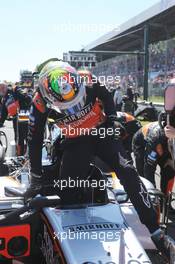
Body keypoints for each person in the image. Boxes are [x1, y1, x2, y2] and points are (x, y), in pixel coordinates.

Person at [26, 60, 172, 258]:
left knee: (128, 171)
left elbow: (106, 96)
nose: (74, 109)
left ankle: (156, 233)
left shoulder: (87, 79)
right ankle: (69, 243)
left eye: (77, 101)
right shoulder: (39, 102)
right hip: (75, 141)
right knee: (67, 188)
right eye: (67, 106)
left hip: (102, 133)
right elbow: (34, 141)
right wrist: (35, 176)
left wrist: (112, 119)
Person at [132, 121, 175, 195]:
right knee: (144, 174)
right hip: (141, 143)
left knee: (169, 171)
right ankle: (148, 199)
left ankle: (166, 200)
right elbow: (149, 169)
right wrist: (153, 194)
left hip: (164, 144)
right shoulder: (156, 139)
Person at [0, 82, 32, 156]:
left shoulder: (15, 89)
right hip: (16, 119)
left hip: (24, 115)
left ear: (6, 87)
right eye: (0, 89)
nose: (2, 90)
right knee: (18, 138)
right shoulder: (4, 99)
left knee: (27, 136)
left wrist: (18, 95)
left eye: (3, 88)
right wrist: (1, 122)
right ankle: (19, 155)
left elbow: (27, 98)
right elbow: (4, 113)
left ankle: (30, 154)